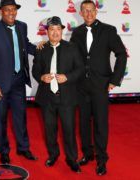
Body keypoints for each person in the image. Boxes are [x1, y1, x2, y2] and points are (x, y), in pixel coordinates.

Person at [70, 0, 127, 176]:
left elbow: (121, 54)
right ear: (80, 13)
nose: (88, 13)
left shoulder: (108, 30)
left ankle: (102, 159)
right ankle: (88, 154)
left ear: (96, 11)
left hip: (101, 85)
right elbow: (72, 56)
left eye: (91, 10)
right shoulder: (76, 33)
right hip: (81, 86)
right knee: (84, 123)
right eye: (85, 11)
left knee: (101, 124)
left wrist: (114, 79)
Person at [0, 0, 37, 164]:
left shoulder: (22, 26)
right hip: (0, 83)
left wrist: (45, 48)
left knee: (20, 117)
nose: (11, 13)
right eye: (7, 10)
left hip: (19, 80)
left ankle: (23, 148)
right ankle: (4, 151)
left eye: (13, 9)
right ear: (1, 11)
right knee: (0, 119)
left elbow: (26, 45)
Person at [32, 16, 84, 173]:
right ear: (47, 32)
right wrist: (41, 77)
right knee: (50, 130)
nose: (55, 32)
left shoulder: (72, 48)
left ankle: (72, 159)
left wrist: (67, 77)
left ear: (62, 30)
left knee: (69, 129)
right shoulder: (41, 49)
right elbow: (35, 70)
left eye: (58, 29)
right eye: (52, 29)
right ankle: (53, 155)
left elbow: (80, 69)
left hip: (67, 98)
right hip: (47, 98)